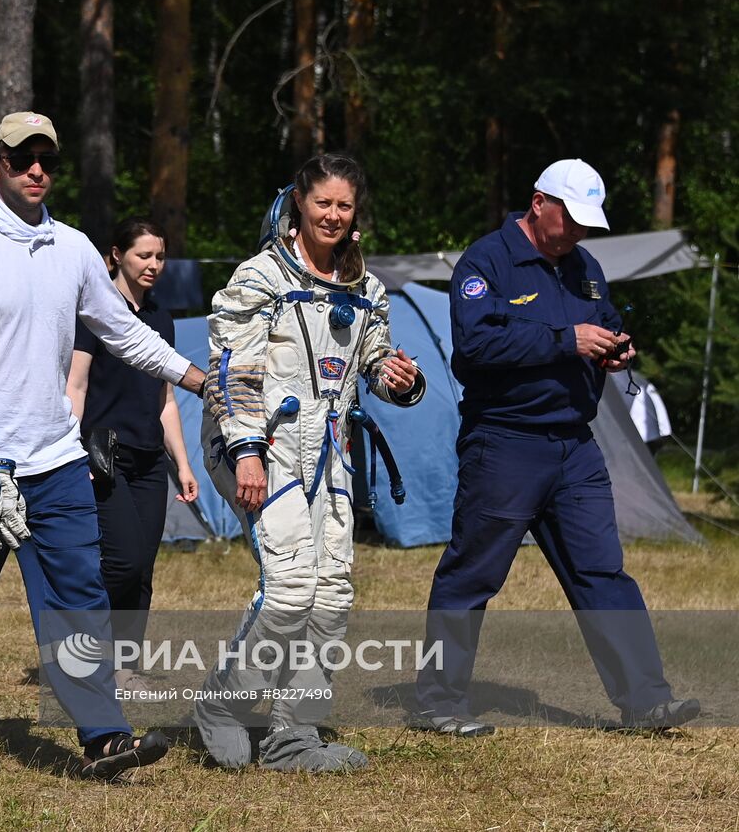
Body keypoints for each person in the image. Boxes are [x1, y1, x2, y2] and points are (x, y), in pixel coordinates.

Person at [0, 111, 204, 780]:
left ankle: (105, 738)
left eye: (47, 158)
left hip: (56, 462)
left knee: (80, 601)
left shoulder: (73, 249)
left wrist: (198, 379)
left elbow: (123, 332)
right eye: (22, 157)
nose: (37, 169)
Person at [414, 158, 701, 736]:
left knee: (603, 572)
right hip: (505, 443)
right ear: (539, 202)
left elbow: (605, 320)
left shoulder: (585, 266)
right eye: (569, 218)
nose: (577, 231)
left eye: (586, 222)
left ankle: (646, 701)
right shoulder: (486, 261)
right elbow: (475, 347)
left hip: (575, 446)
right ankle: (438, 702)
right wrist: (565, 340)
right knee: (472, 574)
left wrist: (617, 348)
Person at [197, 153, 424, 772]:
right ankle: (224, 704)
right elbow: (230, 373)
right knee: (292, 586)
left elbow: (372, 361)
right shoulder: (260, 278)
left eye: (344, 205)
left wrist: (396, 378)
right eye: (323, 202)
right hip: (262, 445)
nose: (333, 215)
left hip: (328, 450)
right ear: (299, 202)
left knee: (333, 591)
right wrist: (246, 452)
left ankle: (293, 735)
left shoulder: (365, 289)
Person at [65, 217, 199, 689]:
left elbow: (166, 399)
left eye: (160, 256)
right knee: (122, 560)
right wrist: (73, 450)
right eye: (143, 255)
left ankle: (125, 667)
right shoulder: (95, 313)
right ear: (116, 256)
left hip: (149, 461)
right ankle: (82, 648)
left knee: (143, 566)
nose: (153, 264)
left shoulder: (162, 318)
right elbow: (76, 386)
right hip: (104, 457)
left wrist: (183, 463)